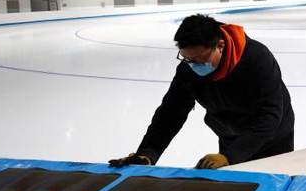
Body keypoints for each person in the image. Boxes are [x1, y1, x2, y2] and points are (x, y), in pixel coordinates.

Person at [109, 14, 295, 169]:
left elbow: (270, 114)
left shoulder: (257, 58)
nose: (193, 64)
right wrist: (148, 153)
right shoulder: (188, 69)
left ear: (219, 46)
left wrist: (231, 156)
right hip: (231, 136)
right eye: (186, 58)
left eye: (199, 58)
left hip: (273, 137)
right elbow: (171, 113)